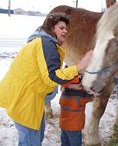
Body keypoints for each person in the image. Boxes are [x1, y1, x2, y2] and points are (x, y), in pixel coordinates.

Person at [0, 12, 93, 145]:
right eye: (61, 28)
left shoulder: (43, 42)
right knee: (30, 142)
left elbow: (44, 74)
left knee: (35, 138)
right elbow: (52, 76)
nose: (65, 31)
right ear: (51, 28)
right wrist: (78, 67)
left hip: (29, 100)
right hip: (24, 101)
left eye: (66, 28)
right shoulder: (46, 43)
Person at [59, 75, 93, 146]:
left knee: (65, 143)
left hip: (64, 126)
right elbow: (91, 97)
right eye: (78, 83)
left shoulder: (63, 94)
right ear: (70, 85)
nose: (81, 84)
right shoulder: (80, 96)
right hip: (74, 128)